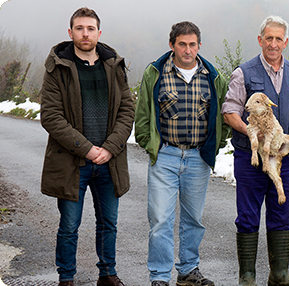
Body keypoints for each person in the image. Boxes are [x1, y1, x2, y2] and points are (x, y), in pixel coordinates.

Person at [39, 7, 134, 286]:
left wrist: (109, 148)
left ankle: (108, 274)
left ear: (98, 33)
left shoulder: (113, 65)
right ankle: (66, 278)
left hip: (109, 161)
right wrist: (87, 149)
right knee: (69, 227)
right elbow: (51, 117)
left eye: (90, 29)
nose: (85, 33)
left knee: (109, 224)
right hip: (72, 163)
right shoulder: (58, 67)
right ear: (70, 33)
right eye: (79, 28)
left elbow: (127, 110)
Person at [134, 21, 228, 286]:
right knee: (161, 219)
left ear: (199, 46)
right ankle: (160, 277)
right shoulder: (155, 73)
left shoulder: (212, 76)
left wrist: (216, 144)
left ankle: (188, 271)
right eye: (182, 44)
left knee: (193, 220)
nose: (188, 50)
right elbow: (142, 116)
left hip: (198, 158)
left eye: (192, 44)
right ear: (172, 45)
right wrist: (150, 144)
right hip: (165, 157)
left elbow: (222, 115)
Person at [222, 15, 289, 286]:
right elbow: (230, 111)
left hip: (283, 158)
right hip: (251, 158)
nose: (273, 43)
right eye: (268, 38)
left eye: (278, 38)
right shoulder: (243, 73)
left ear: (286, 42)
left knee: (283, 213)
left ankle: (279, 275)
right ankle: (247, 276)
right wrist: (250, 132)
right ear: (260, 40)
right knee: (247, 216)